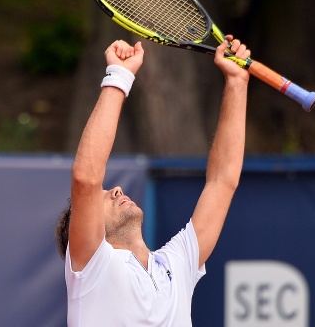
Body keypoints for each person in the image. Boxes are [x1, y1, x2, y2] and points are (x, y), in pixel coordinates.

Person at [55, 35, 250, 326]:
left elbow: (222, 182)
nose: (116, 189)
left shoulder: (176, 264)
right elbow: (86, 178)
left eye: (109, 188)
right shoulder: (92, 267)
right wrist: (119, 76)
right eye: (104, 194)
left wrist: (237, 83)